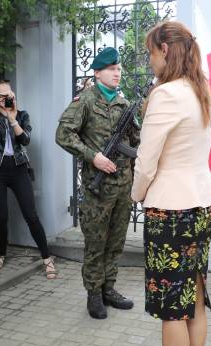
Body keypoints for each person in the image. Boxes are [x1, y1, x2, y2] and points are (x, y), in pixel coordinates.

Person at [131, 22, 211, 346]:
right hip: (202, 205)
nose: (150, 61)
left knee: (172, 309)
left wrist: (136, 194)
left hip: (171, 211)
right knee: (195, 299)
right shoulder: (204, 92)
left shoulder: (165, 94)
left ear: (166, 49)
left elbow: (146, 160)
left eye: (151, 52)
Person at [56, 47, 138, 319]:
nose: (117, 73)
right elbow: (63, 134)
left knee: (116, 241)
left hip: (123, 186)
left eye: (119, 69)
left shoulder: (125, 104)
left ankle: (109, 289)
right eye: (112, 69)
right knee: (96, 243)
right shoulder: (85, 101)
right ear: (98, 72)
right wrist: (94, 157)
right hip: (98, 188)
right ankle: (94, 294)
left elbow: (135, 144)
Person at [0, 79, 57, 279]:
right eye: (0, 95)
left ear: (14, 95)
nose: (4, 98)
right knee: (1, 216)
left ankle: (47, 258)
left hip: (18, 169)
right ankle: (1, 254)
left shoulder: (22, 115)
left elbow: (25, 140)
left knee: (31, 216)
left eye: (8, 94)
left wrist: (13, 118)